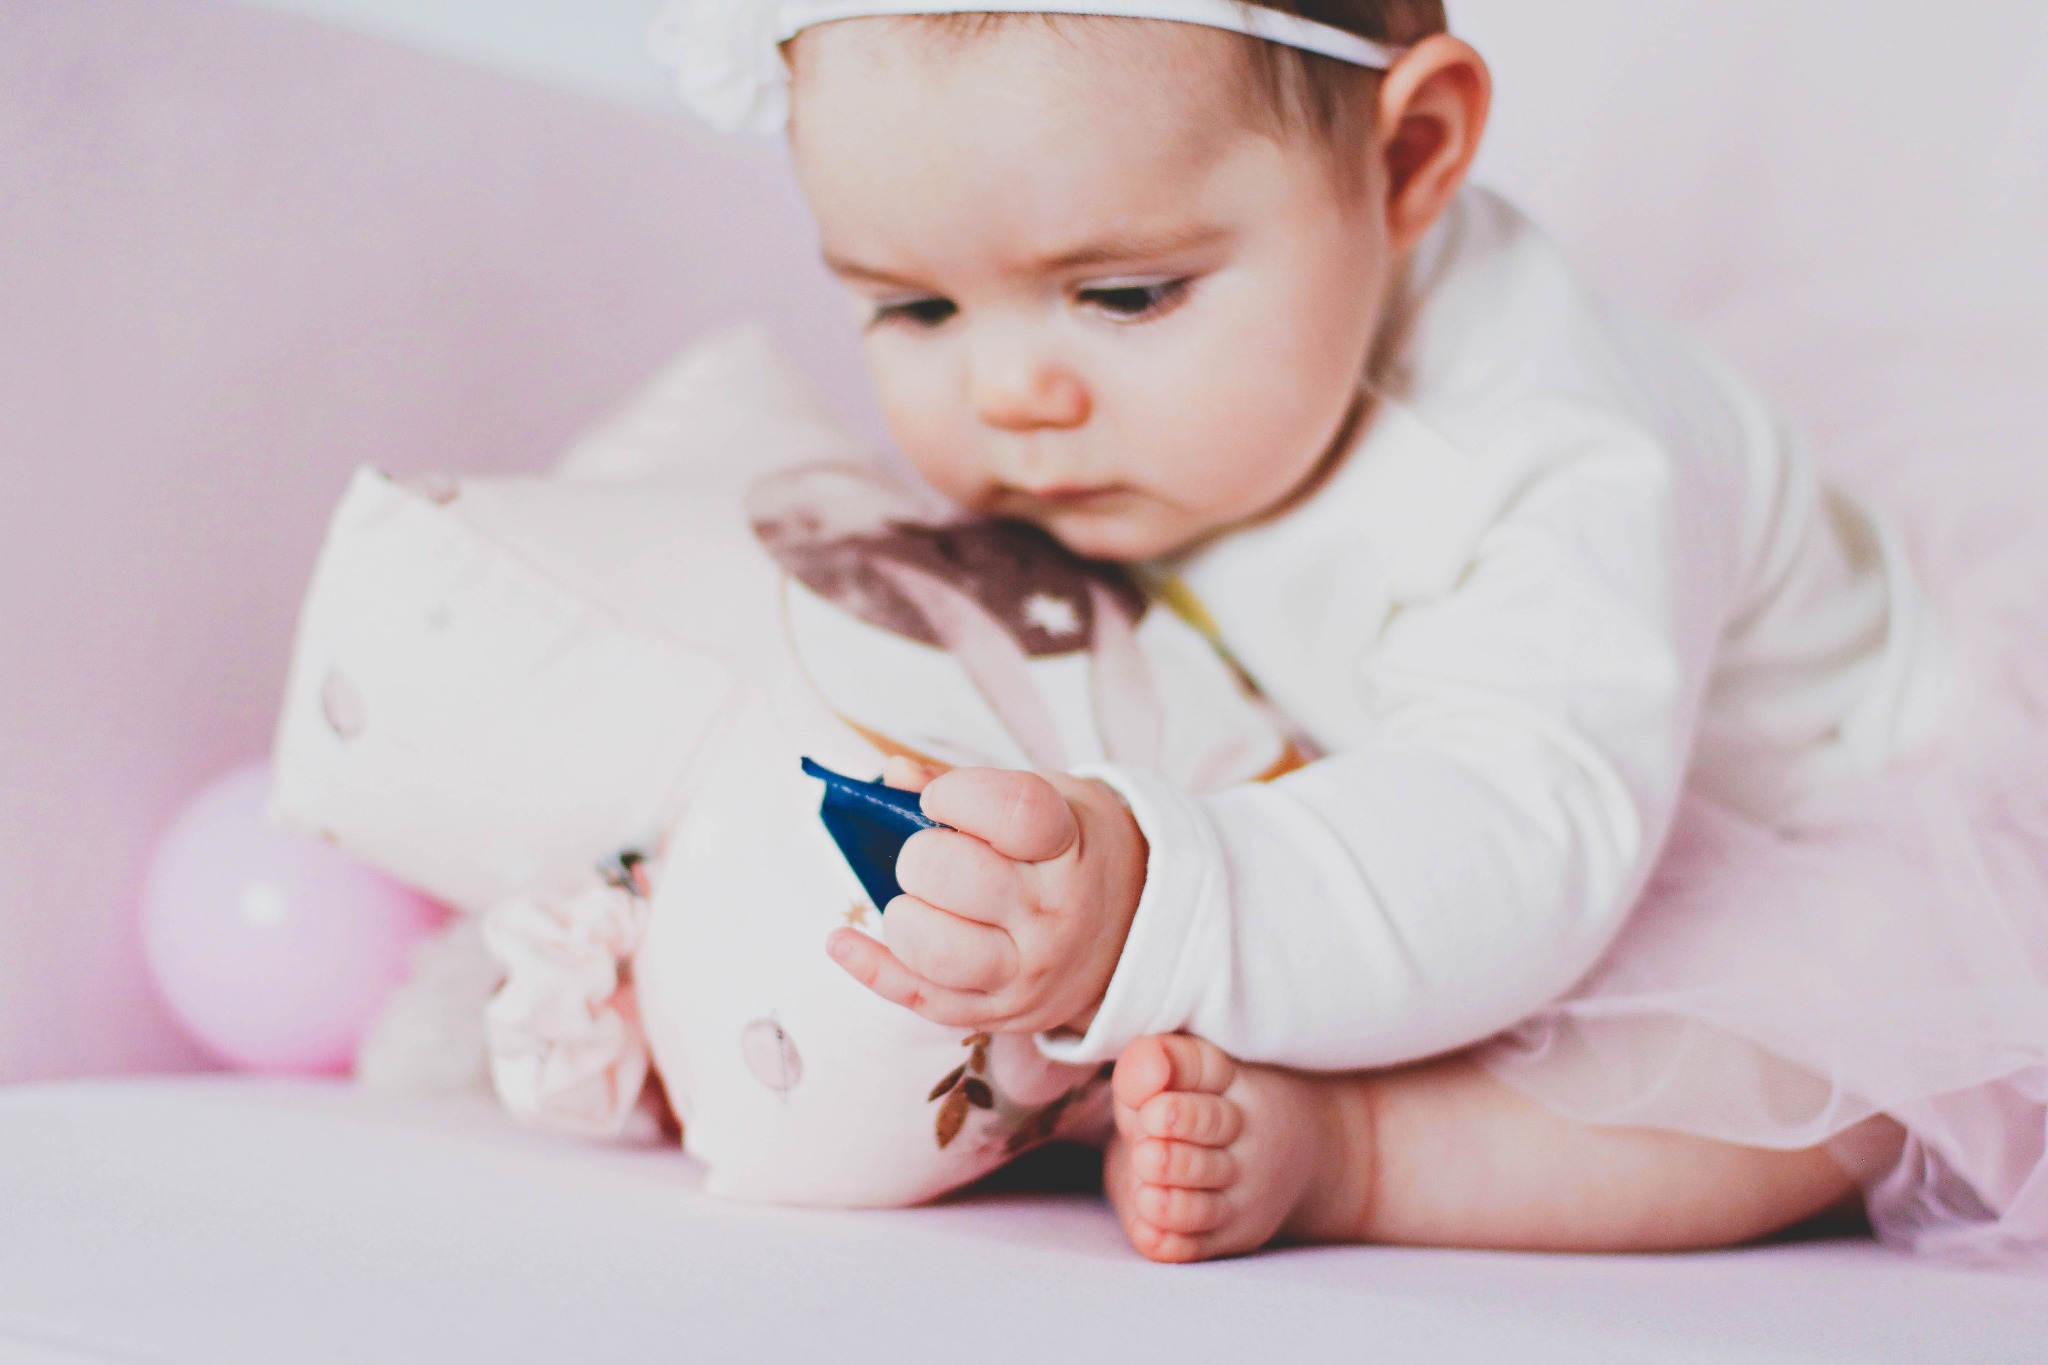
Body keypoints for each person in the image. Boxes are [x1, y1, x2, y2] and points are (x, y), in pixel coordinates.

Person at [653, 0, 2048, 1265]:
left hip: (1763, 817)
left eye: (1126, 293)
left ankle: (1368, 1156)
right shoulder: (1151, 416)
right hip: (1388, 780)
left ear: (1407, 160)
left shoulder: (1556, 464)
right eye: (917, 306)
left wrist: (1153, 902)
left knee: (1803, 1080)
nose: (1013, 390)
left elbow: (1520, 835)